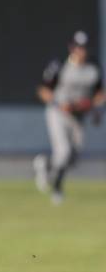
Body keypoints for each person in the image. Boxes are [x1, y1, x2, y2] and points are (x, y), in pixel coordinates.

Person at [34, 31, 105, 205]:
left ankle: (46, 164)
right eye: (78, 47)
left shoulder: (93, 67)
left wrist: (96, 110)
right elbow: (43, 90)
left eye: (84, 47)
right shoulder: (59, 65)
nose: (82, 51)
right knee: (63, 152)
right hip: (58, 113)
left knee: (72, 158)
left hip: (78, 116)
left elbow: (100, 94)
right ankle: (57, 190)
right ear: (71, 47)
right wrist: (59, 103)